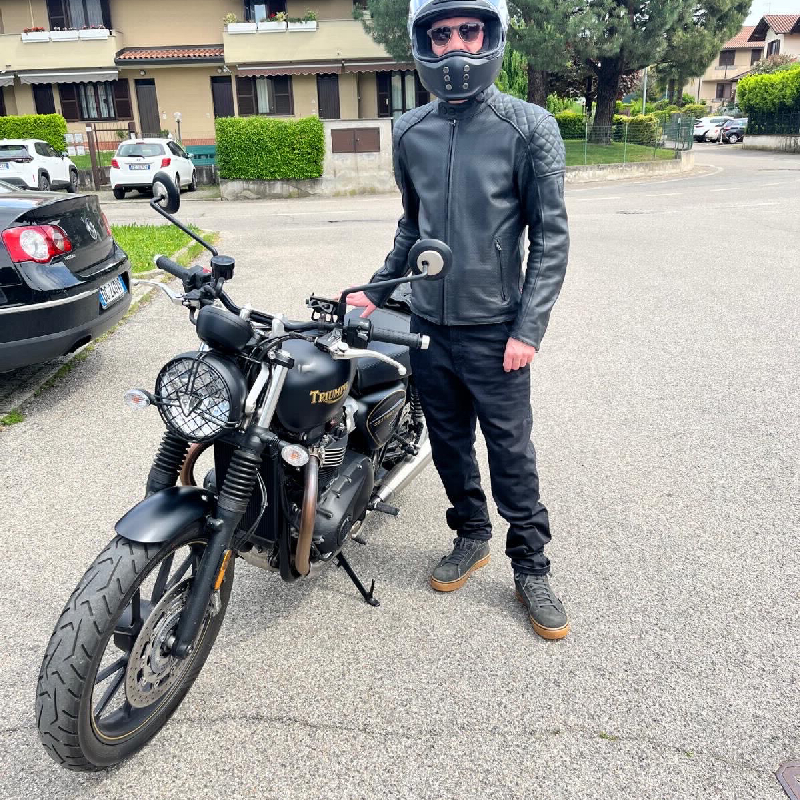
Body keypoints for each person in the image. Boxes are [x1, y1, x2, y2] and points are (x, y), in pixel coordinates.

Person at [346, 0, 570, 639]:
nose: (455, 47)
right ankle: (471, 535)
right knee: (447, 442)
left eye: (468, 31)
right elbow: (411, 227)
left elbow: (550, 238)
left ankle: (530, 567)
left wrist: (528, 330)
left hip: (496, 329)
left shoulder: (528, 127)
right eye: (440, 34)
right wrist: (376, 288)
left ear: (491, 34)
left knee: (510, 451)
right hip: (428, 326)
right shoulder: (410, 131)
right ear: (423, 43)